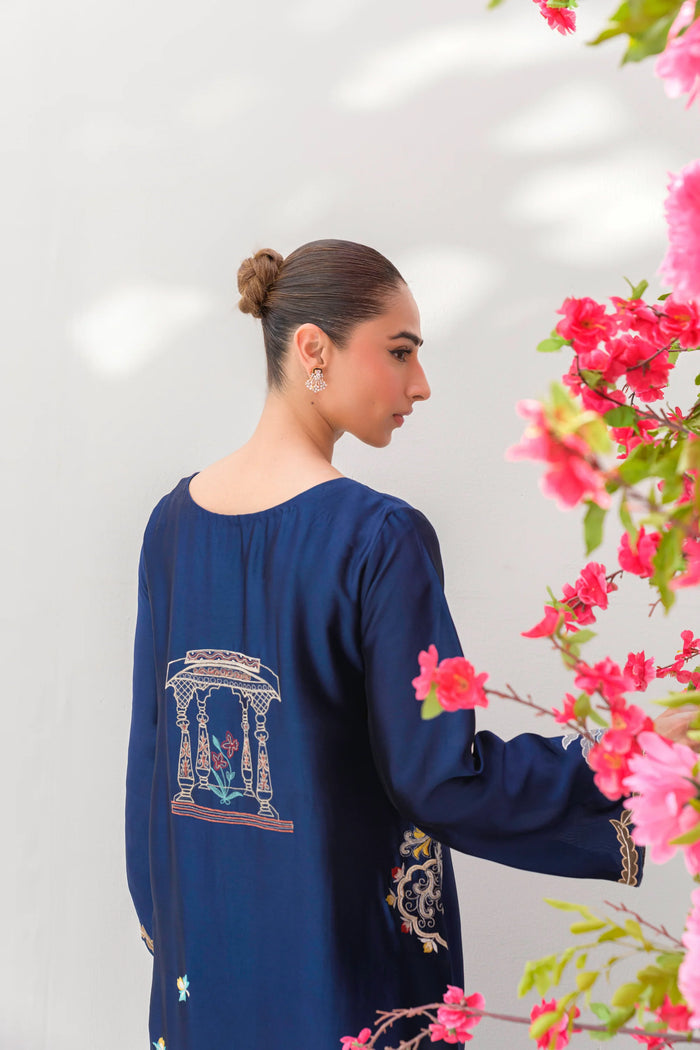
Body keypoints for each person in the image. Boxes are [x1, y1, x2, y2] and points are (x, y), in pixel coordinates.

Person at [125, 238, 692, 1050]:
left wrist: (170, 931)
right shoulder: (377, 538)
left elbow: (153, 766)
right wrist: (623, 762)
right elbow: (439, 779)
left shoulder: (172, 525)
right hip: (340, 976)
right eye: (399, 352)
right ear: (313, 349)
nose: (419, 384)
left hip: (204, 973)